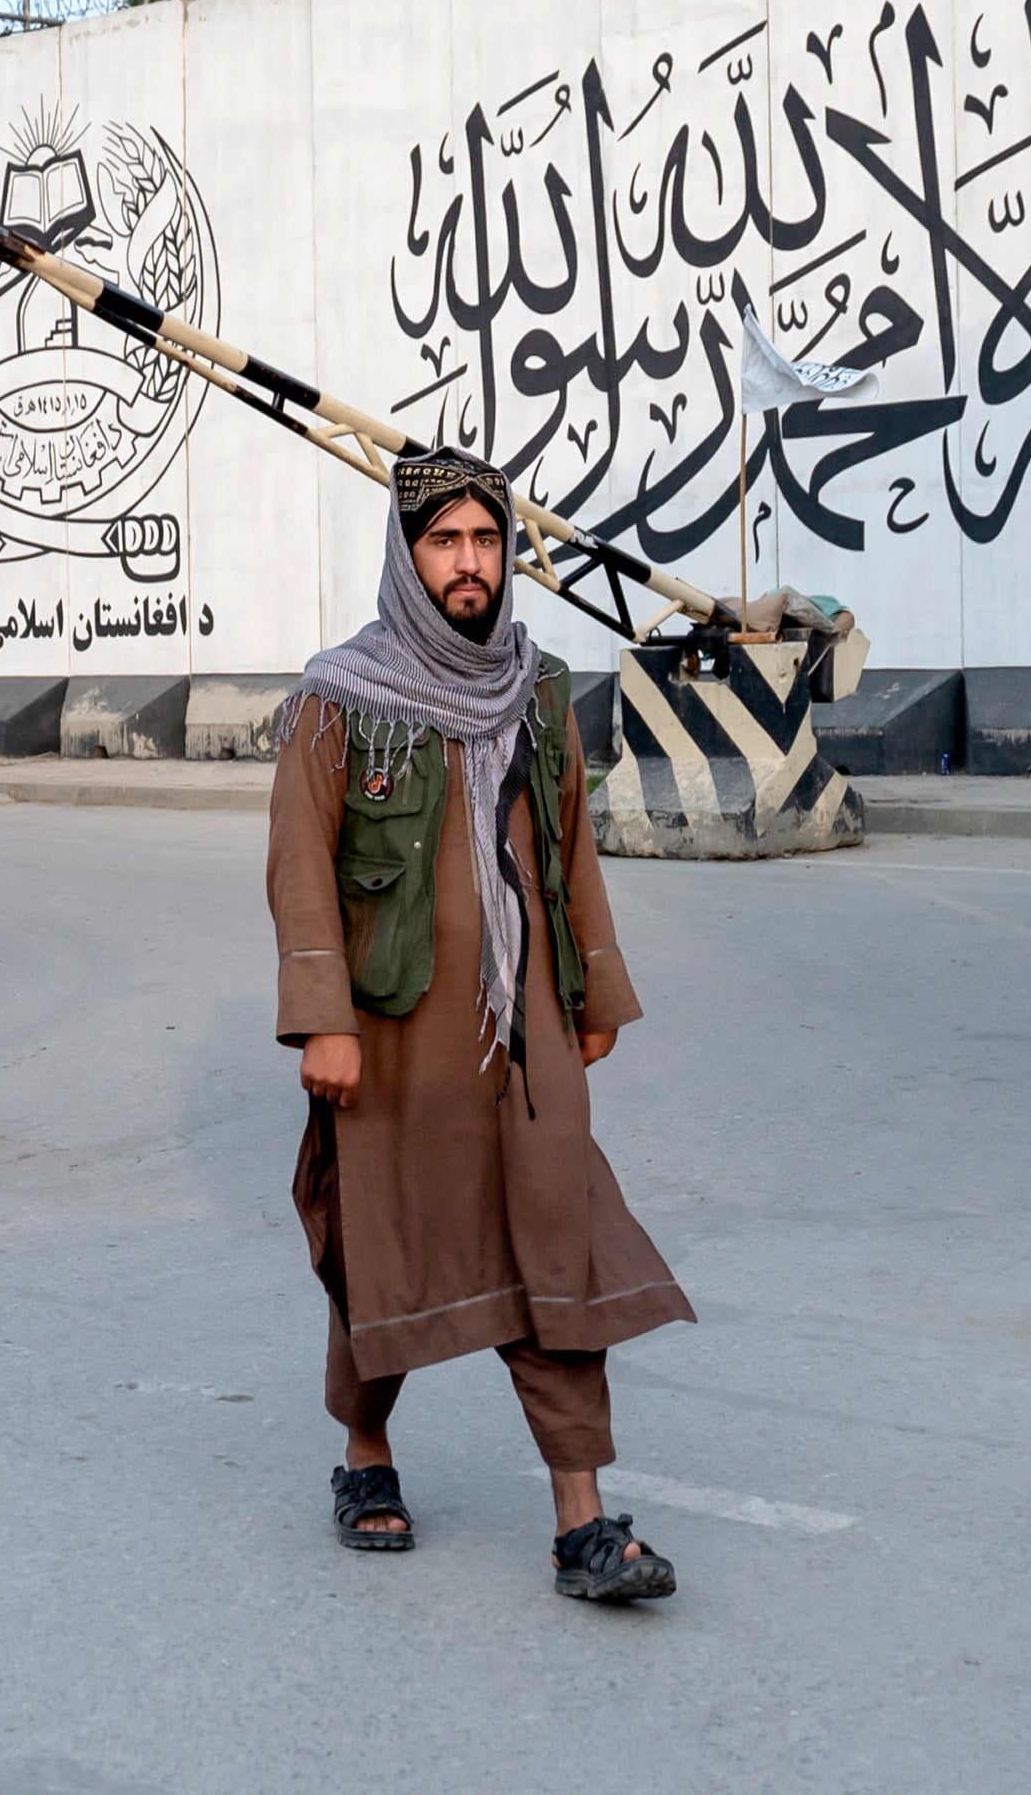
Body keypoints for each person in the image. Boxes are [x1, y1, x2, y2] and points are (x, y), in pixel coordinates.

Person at [266, 448, 694, 1602]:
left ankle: (583, 1518)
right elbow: (301, 868)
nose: (470, 564)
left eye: (487, 541)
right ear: (408, 557)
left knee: (559, 1235)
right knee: (383, 1248)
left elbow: (568, 849)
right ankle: (366, 1454)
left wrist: (594, 993)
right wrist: (324, 1021)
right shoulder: (337, 698)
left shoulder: (538, 690)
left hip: (524, 1030)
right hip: (393, 1027)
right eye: (446, 541)